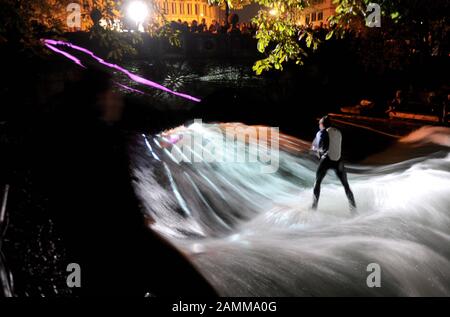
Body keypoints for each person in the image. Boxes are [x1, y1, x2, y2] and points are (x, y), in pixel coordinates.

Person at [311, 116, 357, 213]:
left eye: (320, 124)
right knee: (346, 185)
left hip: (327, 160)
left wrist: (315, 150)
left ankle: (313, 208)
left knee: (317, 182)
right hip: (338, 161)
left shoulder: (322, 132)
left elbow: (319, 148)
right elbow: (335, 146)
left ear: (322, 124)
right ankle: (354, 209)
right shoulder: (338, 132)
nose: (319, 126)